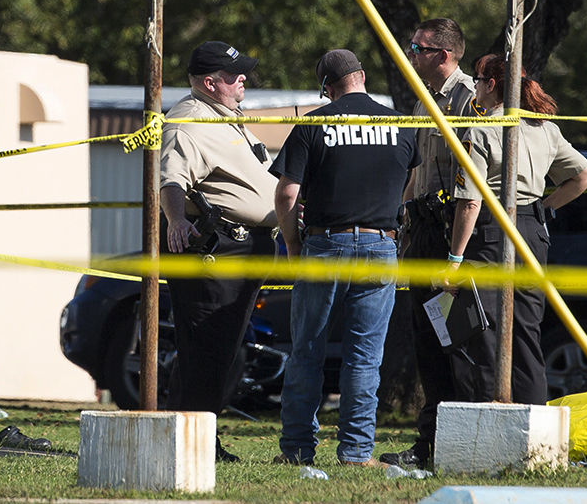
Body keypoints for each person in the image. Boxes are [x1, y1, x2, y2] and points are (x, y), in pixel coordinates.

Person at [272, 49, 418, 467]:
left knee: (307, 350)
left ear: (328, 89)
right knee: (365, 358)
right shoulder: (401, 125)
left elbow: (286, 194)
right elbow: (409, 183)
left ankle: (298, 450)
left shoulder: (314, 124)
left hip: (324, 243)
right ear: (363, 77)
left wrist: (294, 246)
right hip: (380, 246)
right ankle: (356, 451)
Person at [444, 54, 587, 405]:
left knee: (486, 334)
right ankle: (533, 422)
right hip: (532, 231)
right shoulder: (545, 128)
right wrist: (544, 208)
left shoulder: (481, 130)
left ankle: (488, 424)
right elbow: (585, 176)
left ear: (492, 85)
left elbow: (469, 202)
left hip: (491, 234)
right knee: (526, 334)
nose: (474, 89)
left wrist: (454, 258)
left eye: (478, 81)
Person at [159, 40, 278, 462]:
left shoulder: (225, 117)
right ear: (210, 83)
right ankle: (192, 443)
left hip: (244, 249)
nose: (242, 78)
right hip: (217, 249)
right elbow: (171, 180)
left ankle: (188, 438)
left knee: (218, 349)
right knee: (207, 348)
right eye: (233, 75)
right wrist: (175, 221)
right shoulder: (189, 121)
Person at [386, 16, 478, 470]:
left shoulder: (469, 99)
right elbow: (418, 170)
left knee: (456, 341)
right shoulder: (425, 101)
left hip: (451, 234)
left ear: (443, 55)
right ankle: (429, 443)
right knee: (427, 339)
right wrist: (398, 215)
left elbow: (472, 179)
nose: (411, 54)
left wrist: (456, 253)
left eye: (418, 48)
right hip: (422, 230)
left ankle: (457, 444)